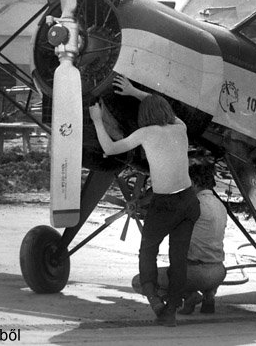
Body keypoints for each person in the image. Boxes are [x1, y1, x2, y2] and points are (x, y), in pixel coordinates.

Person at [89, 74, 200, 327]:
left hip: (165, 205)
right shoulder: (180, 127)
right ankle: (171, 310)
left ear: (145, 115)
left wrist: (97, 121)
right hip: (188, 201)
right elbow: (160, 105)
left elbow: (109, 149)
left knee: (148, 250)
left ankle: (153, 298)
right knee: (178, 258)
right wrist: (134, 91)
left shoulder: (146, 133)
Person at [131, 156, 228, 314]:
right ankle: (208, 295)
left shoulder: (193, 205)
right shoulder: (220, 206)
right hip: (219, 272)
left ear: (194, 184)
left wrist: (142, 211)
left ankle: (189, 296)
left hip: (196, 274)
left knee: (139, 281)